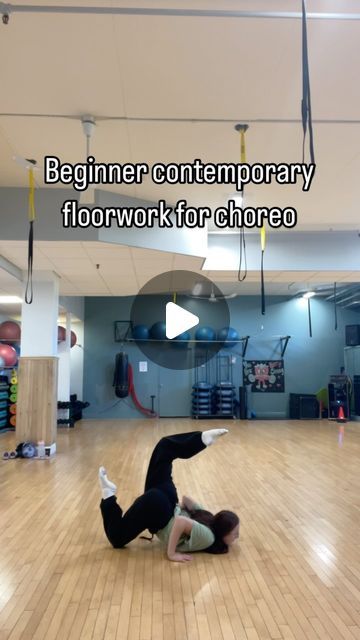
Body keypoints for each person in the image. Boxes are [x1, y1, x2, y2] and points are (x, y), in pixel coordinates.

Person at [99, 429, 240, 562]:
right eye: (234, 533)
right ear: (223, 532)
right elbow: (180, 522)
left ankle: (201, 439)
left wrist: (186, 515)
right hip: (158, 510)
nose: (237, 537)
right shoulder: (208, 538)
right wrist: (171, 553)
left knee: (164, 448)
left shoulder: (208, 518)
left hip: (168, 496)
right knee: (117, 538)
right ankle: (108, 494)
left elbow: (186, 500)